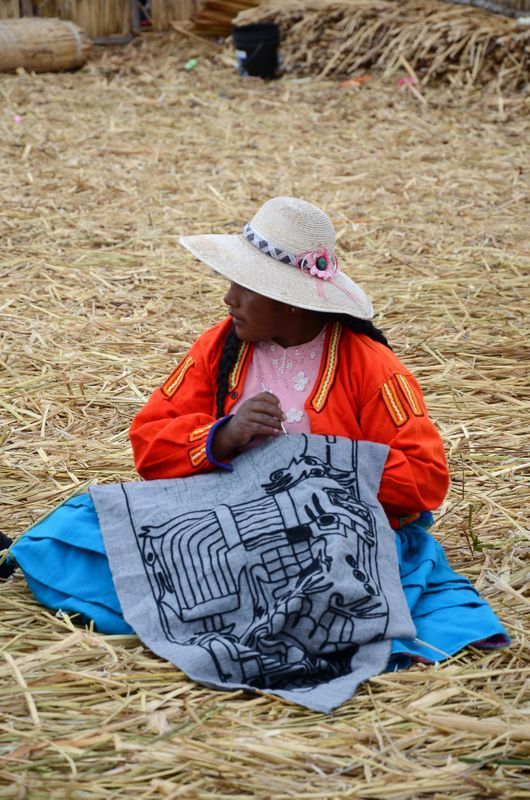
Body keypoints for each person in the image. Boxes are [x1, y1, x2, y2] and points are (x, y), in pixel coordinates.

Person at [3, 197, 508, 665]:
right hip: (223, 518)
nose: (229, 299)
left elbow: (424, 482)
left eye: (244, 287)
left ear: (290, 301)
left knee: (306, 588)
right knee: (86, 521)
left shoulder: (371, 367)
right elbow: (150, 439)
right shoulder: (220, 347)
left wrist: (314, 464)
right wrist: (221, 437)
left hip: (324, 538)